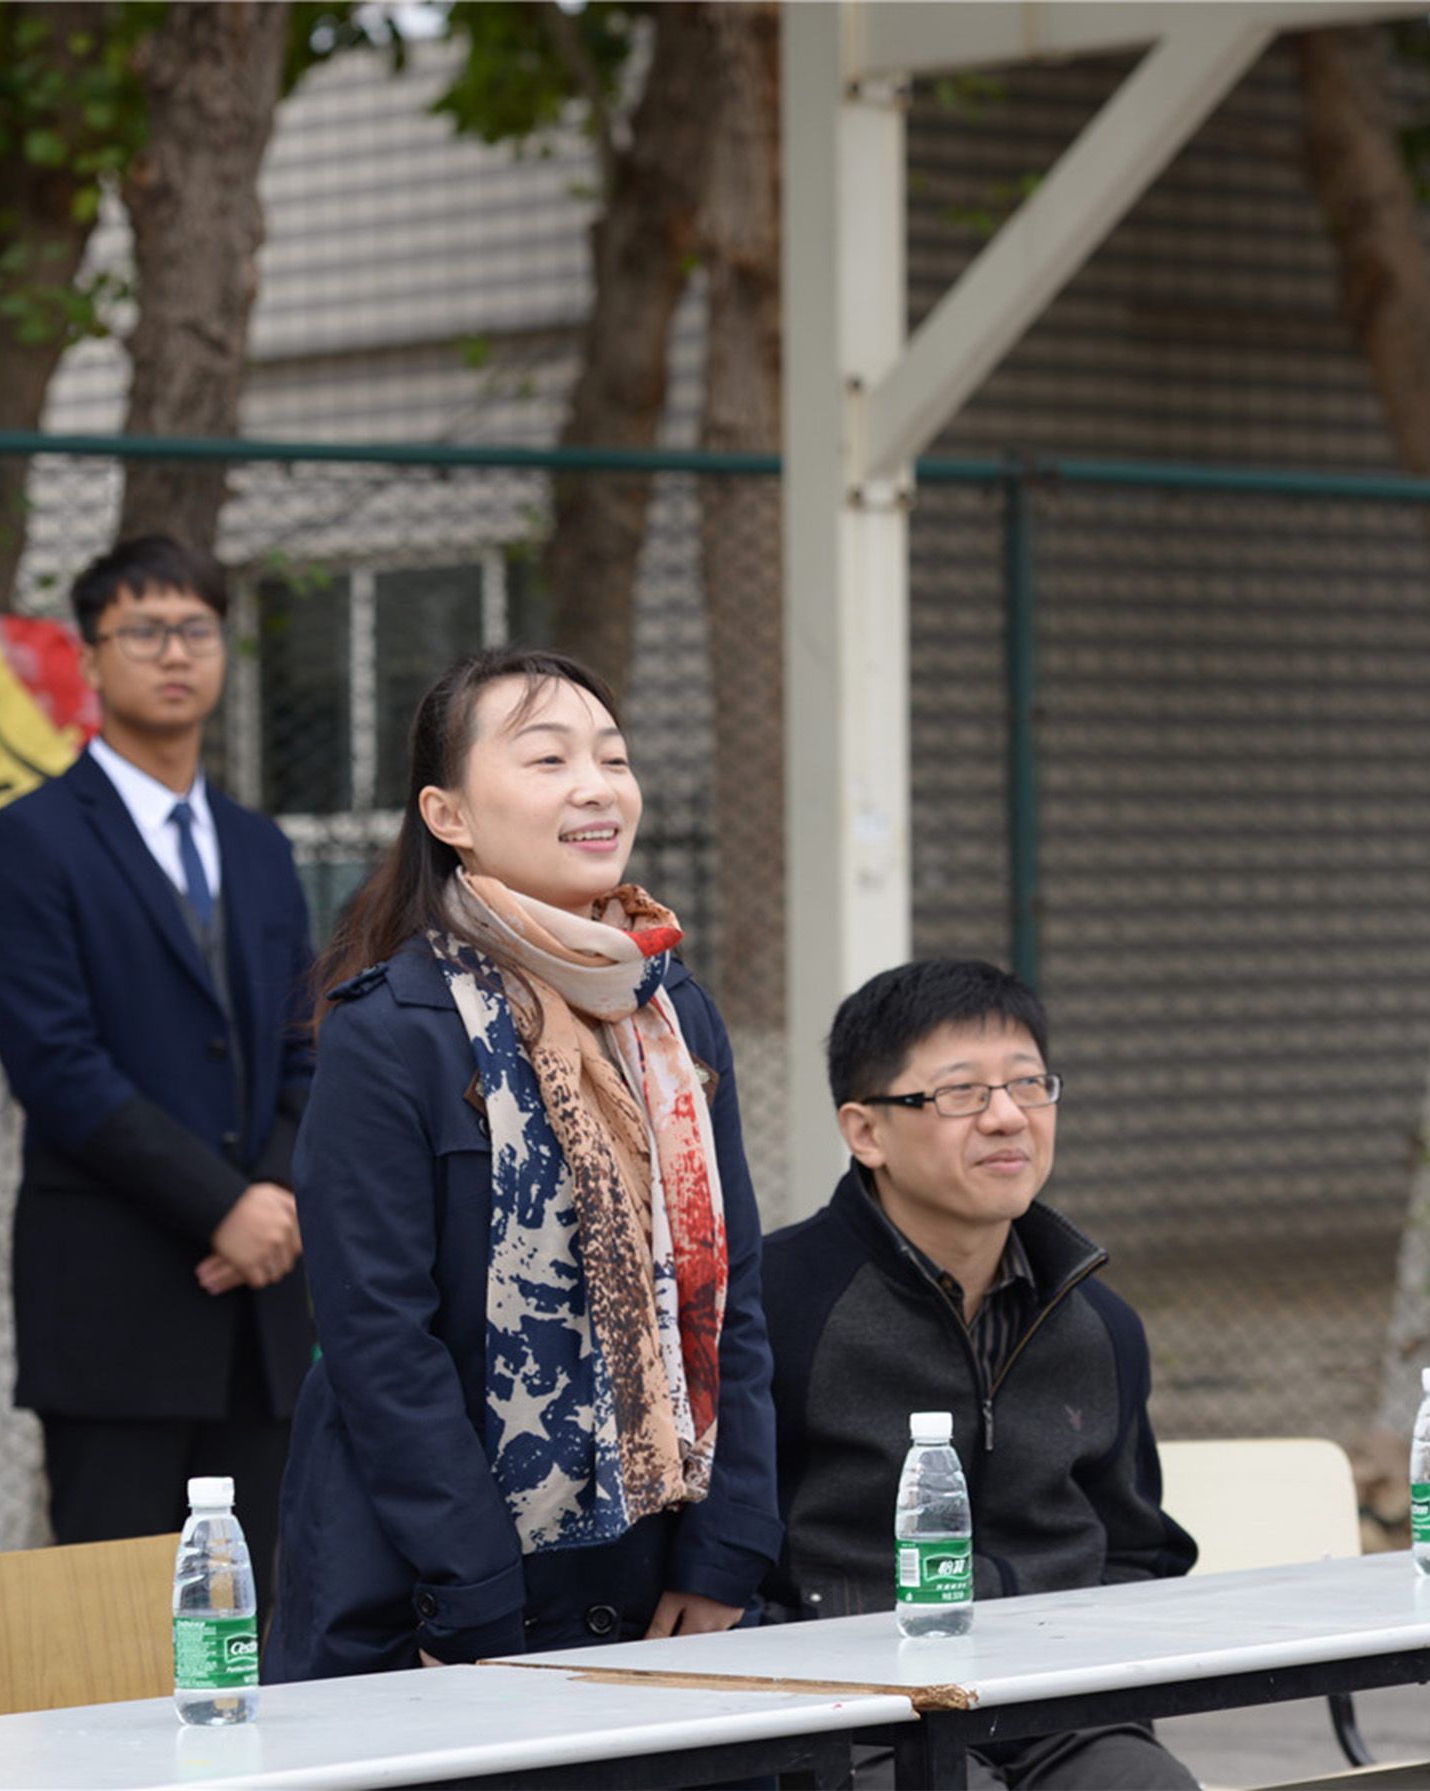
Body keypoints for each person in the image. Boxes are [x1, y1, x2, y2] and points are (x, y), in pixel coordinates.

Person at [267, 647, 780, 1682]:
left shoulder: (670, 1013)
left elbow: (728, 1297)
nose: (596, 787)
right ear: (447, 814)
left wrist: (729, 1546)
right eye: (548, 759)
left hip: (655, 1572)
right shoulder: (392, 1030)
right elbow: (381, 1343)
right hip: (431, 1590)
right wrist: (474, 1594)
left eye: (613, 758)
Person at [763, 959, 1199, 1789]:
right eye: (961, 1092)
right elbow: (723, 1558)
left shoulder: (1098, 1323)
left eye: (1029, 1085)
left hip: (1056, 1710)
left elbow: (1141, 1549)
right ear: (865, 1131)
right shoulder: (771, 1307)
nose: (1007, 1117)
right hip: (847, 1717)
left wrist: (1087, 1668)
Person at [0, 534, 317, 1562]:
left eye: (196, 631)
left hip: (263, 1306)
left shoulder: (260, 845)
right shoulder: (29, 839)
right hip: (116, 1298)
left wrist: (276, 1193)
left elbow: (306, 1041)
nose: (175, 654)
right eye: (146, 632)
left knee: (267, 1600)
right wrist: (224, 1206)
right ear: (88, 657)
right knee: (113, 1612)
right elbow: (55, 1064)